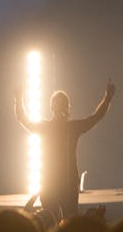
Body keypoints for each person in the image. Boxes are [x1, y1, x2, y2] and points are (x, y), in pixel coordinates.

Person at [14, 79, 115, 220]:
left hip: (51, 184)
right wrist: (107, 98)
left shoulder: (47, 127)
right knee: (68, 221)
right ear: (67, 107)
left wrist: (18, 98)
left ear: (52, 107)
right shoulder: (71, 128)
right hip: (65, 184)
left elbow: (22, 118)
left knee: (51, 220)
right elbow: (95, 118)